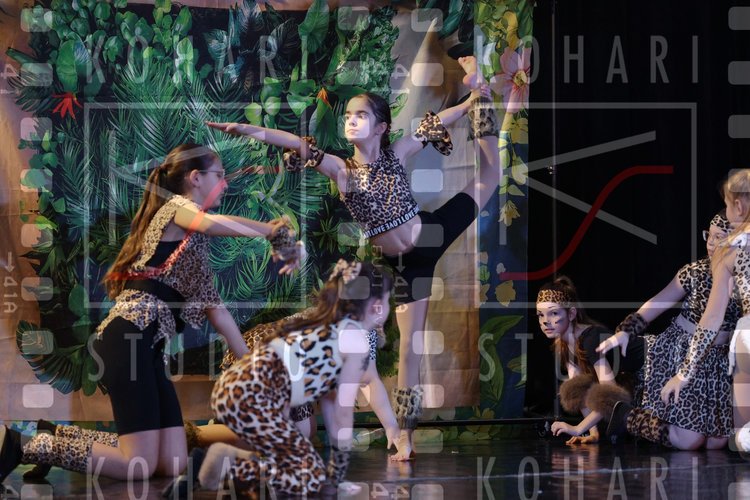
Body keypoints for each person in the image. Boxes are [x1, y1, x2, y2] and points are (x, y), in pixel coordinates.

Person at [206, 55, 501, 460]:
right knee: (410, 352)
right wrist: (244, 128)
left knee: (491, 175)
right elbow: (292, 142)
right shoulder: (341, 170)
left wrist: (470, 103)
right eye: (347, 115)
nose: (350, 120)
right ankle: (404, 436)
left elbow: (437, 123)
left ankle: (481, 92)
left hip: (431, 233)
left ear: (380, 127)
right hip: (406, 266)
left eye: (361, 115)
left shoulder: (396, 153)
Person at [0, 144, 305, 483]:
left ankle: (57, 434)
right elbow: (206, 223)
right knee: (139, 465)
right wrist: (269, 230)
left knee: (173, 463)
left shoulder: (194, 256)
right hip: (127, 342)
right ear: (195, 178)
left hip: (148, 352)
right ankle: (25, 446)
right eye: (219, 176)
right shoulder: (177, 207)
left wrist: (254, 371)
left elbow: (219, 315)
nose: (225, 183)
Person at [169, 260, 393, 496]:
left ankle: (217, 465)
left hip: (240, 386)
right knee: (303, 466)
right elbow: (340, 405)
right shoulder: (346, 336)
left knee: (302, 452)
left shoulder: (337, 325)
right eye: (387, 301)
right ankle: (216, 459)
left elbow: (331, 396)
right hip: (253, 381)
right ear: (375, 306)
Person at [592, 211, 740, 450]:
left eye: (719, 237)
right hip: (683, 352)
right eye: (709, 236)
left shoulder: (743, 277)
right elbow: (658, 302)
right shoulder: (695, 272)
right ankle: (626, 416)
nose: (711, 243)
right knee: (690, 440)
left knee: (716, 442)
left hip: (718, 360)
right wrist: (626, 330)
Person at [536, 277, 645, 444]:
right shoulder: (563, 344)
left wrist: (578, 428)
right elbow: (577, 388)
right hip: (632, 377)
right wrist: (592, 432)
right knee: (571, 388)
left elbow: (611, 392)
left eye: (554, 313)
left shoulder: (590, 338)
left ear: (571, 314)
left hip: (652, 364)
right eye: (540, 314)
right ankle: (596, 432)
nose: (545, 321)